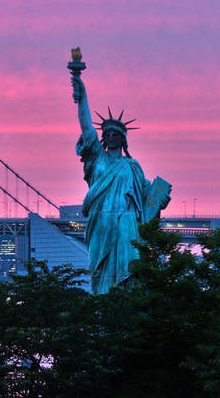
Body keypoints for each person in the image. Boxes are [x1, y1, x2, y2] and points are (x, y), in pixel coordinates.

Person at [71, 74, 170, 294]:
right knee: (101, 272)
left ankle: (125, 305)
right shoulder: (97, 157)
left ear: (123, 139)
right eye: (108, 134)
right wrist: (82, 96)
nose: (112, 137)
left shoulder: (132, 166)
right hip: (101, 222)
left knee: (129, 273)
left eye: (116, 134)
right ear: (103, 138)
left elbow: (147, 198)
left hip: (126, 223)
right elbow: (87, 127)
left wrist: (161, 199)